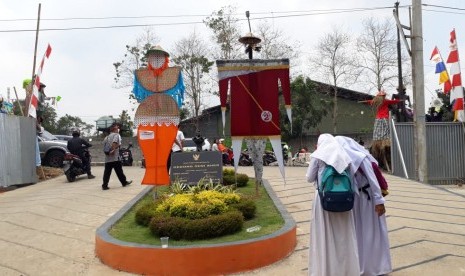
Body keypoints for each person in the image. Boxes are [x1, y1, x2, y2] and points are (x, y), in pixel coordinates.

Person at [335, 136, 392, 276]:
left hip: (368, 201)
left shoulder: (361, 158)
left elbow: (373, 181)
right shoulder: (344, 159)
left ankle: (376, 267)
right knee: (359, 233)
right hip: (356, 202)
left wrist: (379, 201)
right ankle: (360, 266)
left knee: (371, 233)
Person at [306, 133, 360, 276]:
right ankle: (347, 270)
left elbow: (309, 178)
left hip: (324, 200)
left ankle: (325, 270)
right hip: (344, 200)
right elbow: (353, 177)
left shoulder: (318, 155)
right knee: (344, 236)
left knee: (325, 235)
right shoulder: (345, 155)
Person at [102, 123, 132, 190]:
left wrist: (108, 153)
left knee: (107, 172)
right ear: (114, 128)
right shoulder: (116, 135)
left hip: (107, 158)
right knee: (119, 171)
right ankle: (124, 182)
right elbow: (114, 143)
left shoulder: (106, 137)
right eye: (116, 126)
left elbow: (104, 147)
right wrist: (113, 150)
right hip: (115, 157)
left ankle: (104, 185)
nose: (118, 127)